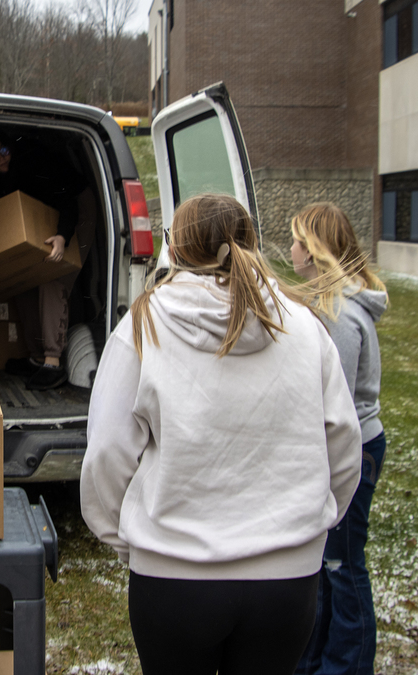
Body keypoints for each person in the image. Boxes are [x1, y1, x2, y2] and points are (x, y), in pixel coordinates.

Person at [79, 193, 362, 675]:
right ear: (249, 243)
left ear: (177, 248)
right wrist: (309, 526)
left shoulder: (143, 325)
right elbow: (342, 443)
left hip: (173, 576)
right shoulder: (305, 326)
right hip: (287, 580)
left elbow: (107, 453)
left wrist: (129, 539)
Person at [291, 203, 389, 675]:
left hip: (352, 451)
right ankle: (317, 659)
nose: (289, 249)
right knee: (325, 563)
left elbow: (340, 409)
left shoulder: (343, 317)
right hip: (335, 449)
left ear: (312, 251)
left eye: (295, 241)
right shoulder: (328, 307)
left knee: (343, 564)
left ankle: (349, 665)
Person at [0, 131, 93, 390]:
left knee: (53, 276)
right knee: (24, 279)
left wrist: (63, 236)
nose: (0, 158)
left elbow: (67, 202)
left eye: (4, 151)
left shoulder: (34, 166)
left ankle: (53, 362)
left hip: (74, 209)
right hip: (41, 216)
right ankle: (38, 357)